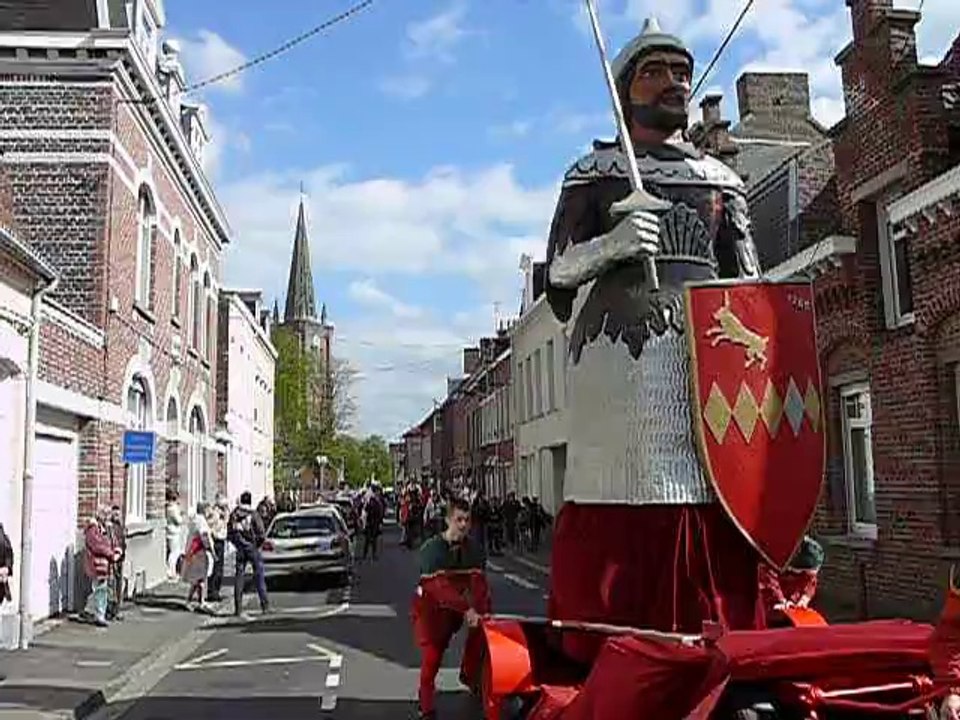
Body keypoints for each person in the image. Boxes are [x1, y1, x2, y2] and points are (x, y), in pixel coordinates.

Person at [543, 17, 764, 660]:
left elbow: (749, 287)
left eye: (683, 73)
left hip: (705, 360)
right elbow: (555, 276)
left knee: (708, 493)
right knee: (626, 491)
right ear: (624, 90)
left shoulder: (722, 182)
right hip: (620, 362)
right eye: (656, 71)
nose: (675, 83)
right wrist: (611, 246)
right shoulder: (593, 173)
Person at [412, 496, 491, 720]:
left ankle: (469, 673)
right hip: (431, 610)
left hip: (458, 608)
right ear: (448, 520)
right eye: (459, 520)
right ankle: (426, 705)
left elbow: (479, 586)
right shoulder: (431, 550)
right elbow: (438, 588)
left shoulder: (475, 550)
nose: (464, 525)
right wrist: (467, 609)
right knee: (431, 658)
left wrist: (482, 612)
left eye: (467, 520)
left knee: (482, 632)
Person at [758, 535, 824, 627]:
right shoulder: (775, 556)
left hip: (790, 602)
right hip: (768, 602)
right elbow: (769, 580)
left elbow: (811, 583)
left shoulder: (813, 554)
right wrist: (781, 600)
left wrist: (803, 600)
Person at [228, 491, 269, 616]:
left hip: (240, 548)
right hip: (252, 547)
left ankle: (238, 608)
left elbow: (229, 532)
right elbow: (261, 533)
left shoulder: (234, 514)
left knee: (239, 576)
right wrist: (256, 544)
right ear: (250, 501)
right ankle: (264, 604)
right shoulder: (254, 514)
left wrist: (237, 543)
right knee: (259, 574)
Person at [83, 507, 121, 627]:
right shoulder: (93, 530)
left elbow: (112, 541)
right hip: (97, 565)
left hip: (105, 565)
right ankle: (99, 615)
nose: (108, 518)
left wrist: (117, 550)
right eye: (106, 515)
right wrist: (110, 554)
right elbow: (97, 546)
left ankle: (90, 611)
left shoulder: (106, 529)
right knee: (100, 589)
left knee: (101, 589)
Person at [181, 502, 215, 611]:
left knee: (199, 578)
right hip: (199, 552)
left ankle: (200, 601)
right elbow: (204, 536)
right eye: (209, 509)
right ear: (204, 510)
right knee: (200, 578)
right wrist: (211, 550)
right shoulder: (201, 522)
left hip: (193, 551)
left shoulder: (195, 520)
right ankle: (191, 601)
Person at [106, 505, 126, 621]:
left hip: (120, 559)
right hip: (113, 559)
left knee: (119, 585)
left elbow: (123, 542)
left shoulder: (120, 527)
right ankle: (111, 610)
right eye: (115, 514)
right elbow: (111, 542)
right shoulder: (111, 528)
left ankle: (117, 609)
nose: (117, 516)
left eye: (118, 514)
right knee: (111, 586)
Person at [165, 489, 183, 578]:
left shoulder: (168, 507)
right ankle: (170, 571)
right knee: (174, 552)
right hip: (174, 532)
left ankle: (172, 570)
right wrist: (181, 516)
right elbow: (179, 520)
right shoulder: (173, 508)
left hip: (169, 530)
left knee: (173, 552)